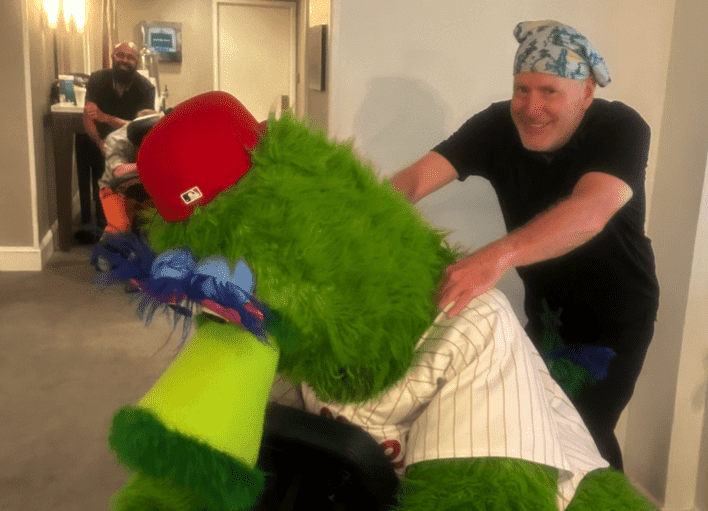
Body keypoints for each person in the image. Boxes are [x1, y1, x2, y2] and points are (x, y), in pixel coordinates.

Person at [390, 20, 659, 472]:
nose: (531, 108)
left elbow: (592, 207)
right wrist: (353, 220)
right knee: (529, 427)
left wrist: (493, 258)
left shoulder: (621, 127)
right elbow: (414, 180)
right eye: (522, 89)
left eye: (549, 91)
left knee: (579, 436)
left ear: (586, 92)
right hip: (547, 316)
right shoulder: (497, 125)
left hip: (614, 320)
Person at [78, 42, 155, 231]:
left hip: (128, 141)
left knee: (127, 183)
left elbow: (138, 127)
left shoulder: (146, 87)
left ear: (137, 62)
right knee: (100, 177)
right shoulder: (97, 79)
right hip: (98, 137)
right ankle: (100, 224)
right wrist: (99, 142)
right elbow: (88, 115)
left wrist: (105, 117)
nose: (125, 60)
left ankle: (129, 224)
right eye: (120, 55)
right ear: (113, 56)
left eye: (130, 57)